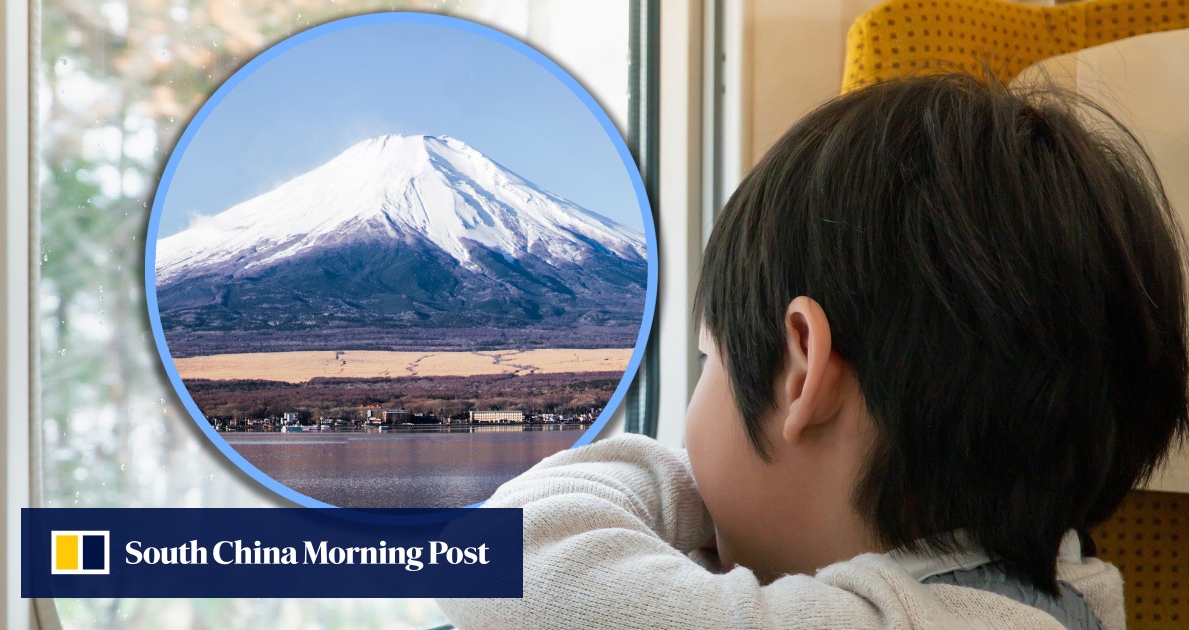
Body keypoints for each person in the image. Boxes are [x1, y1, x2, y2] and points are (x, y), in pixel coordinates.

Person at [438, 73, 1189, 629]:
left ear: (803, 369)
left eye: (709, 365)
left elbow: (501, 568)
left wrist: (685, 482)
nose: (697, 403)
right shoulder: (1071, 594)